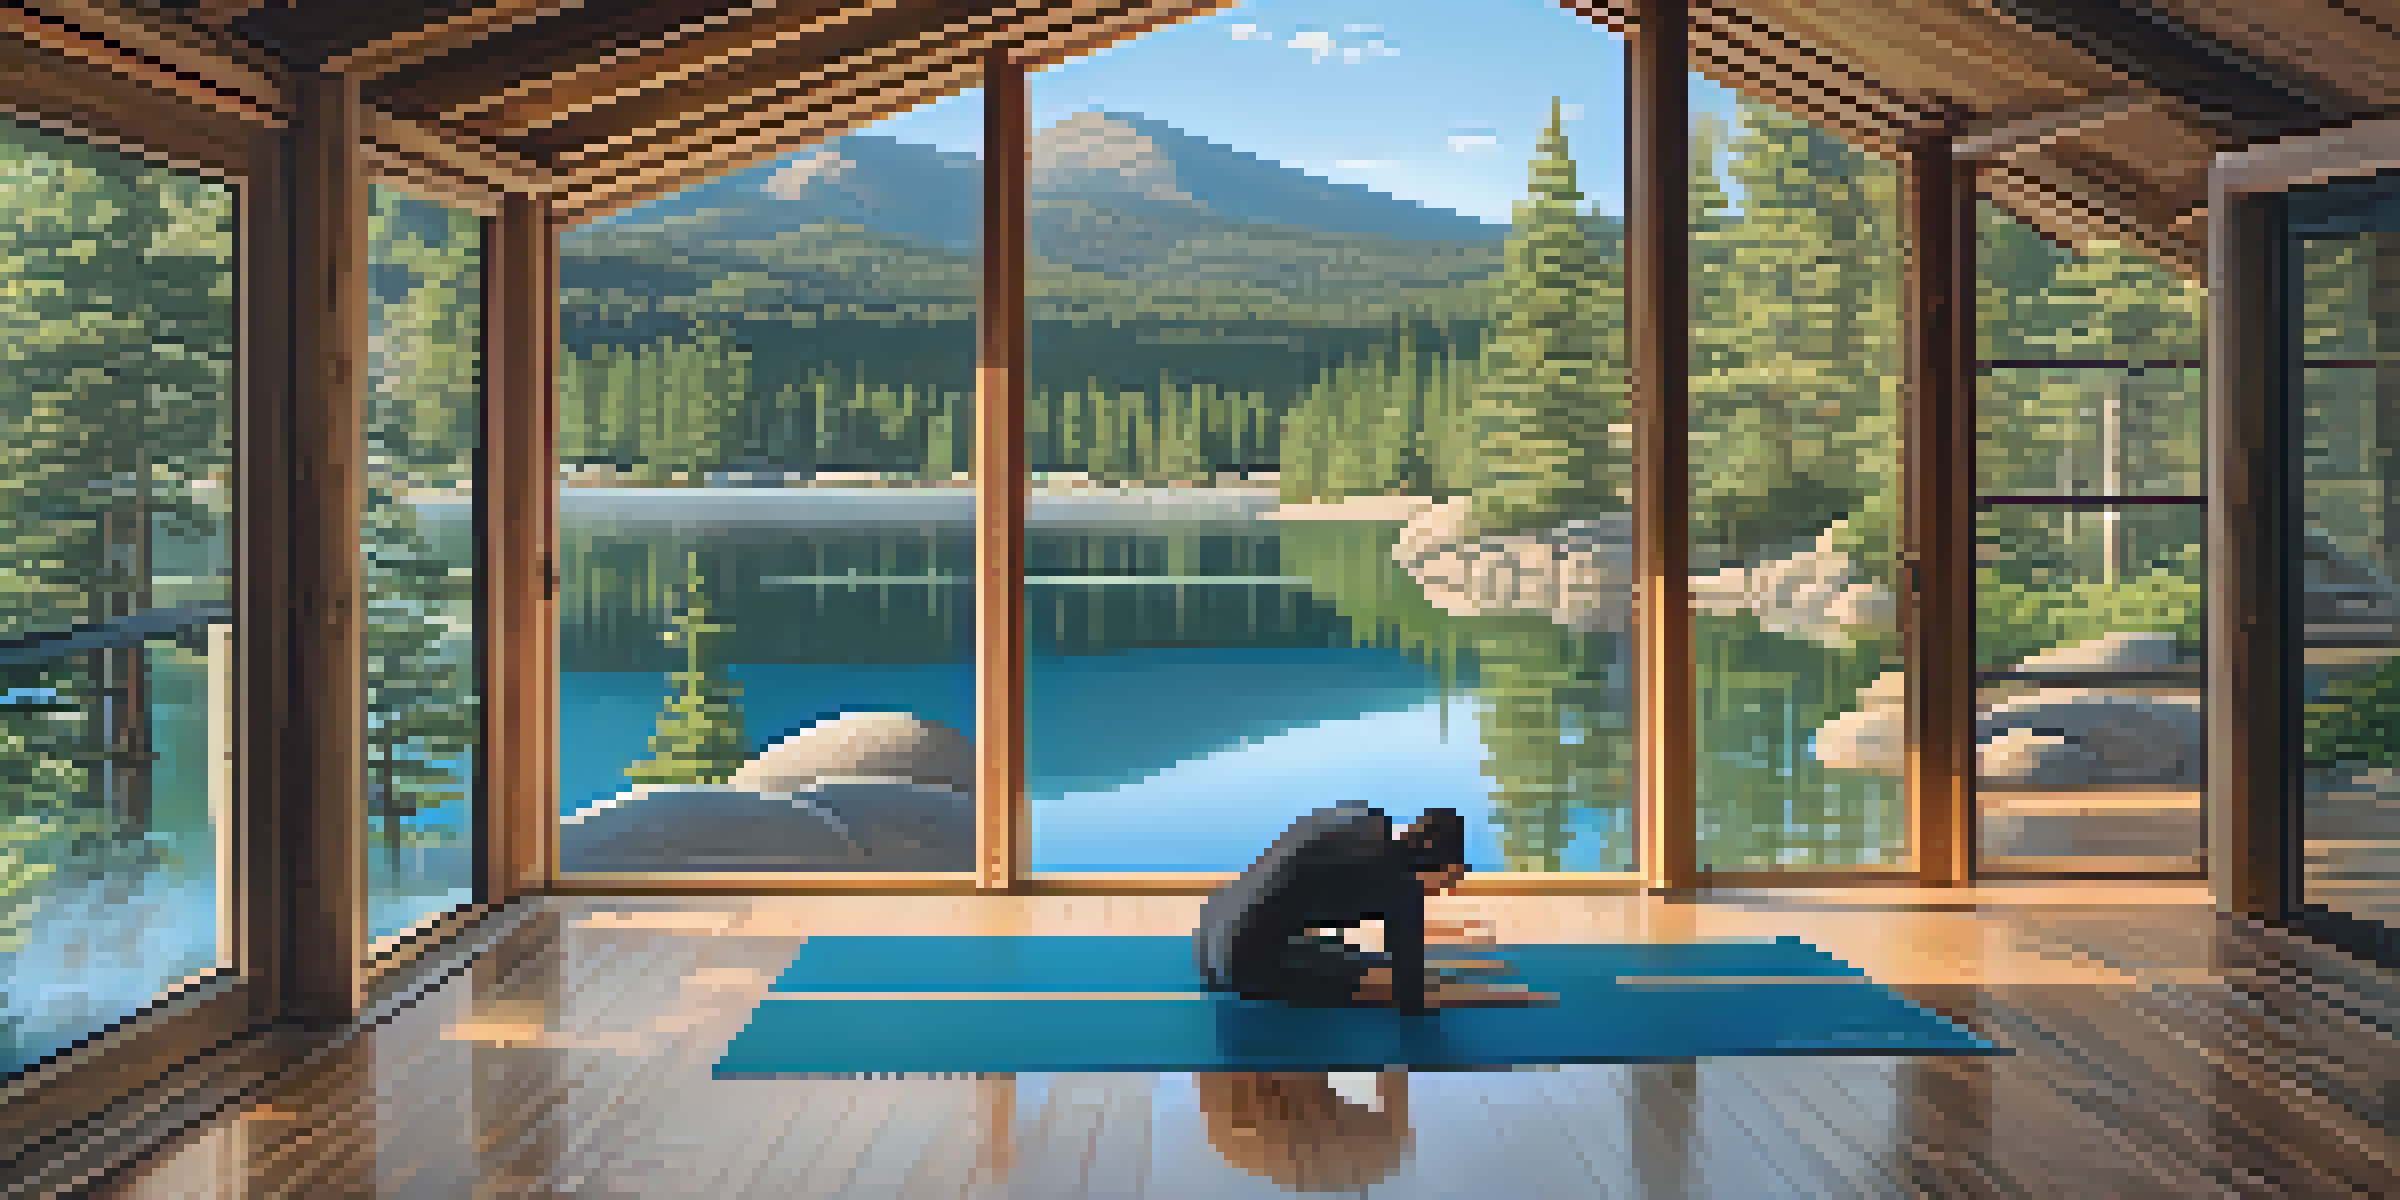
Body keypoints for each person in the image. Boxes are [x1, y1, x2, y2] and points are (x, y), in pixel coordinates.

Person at [1193, 804, 1552, 1014]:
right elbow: (1410, 998)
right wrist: (1512, 996)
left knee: (1350, 956)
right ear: (1435, 867)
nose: (1443, 893)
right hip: (1236, 964)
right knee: (1371, 978)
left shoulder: (1366, 824)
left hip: (1211, 936)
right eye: (1447, 882)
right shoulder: (1400, 885)